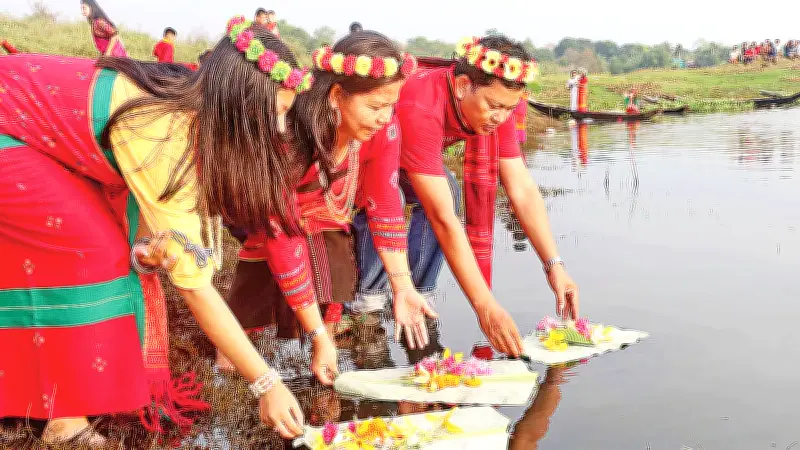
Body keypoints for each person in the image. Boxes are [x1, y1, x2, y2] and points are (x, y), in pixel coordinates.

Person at [0, 16, 314, 444]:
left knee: (104, 244)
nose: (278, 129)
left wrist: (145, 248)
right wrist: (266, 384)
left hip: (33, 133)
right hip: (10, 130)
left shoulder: (193, 103)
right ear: (237, 103)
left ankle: (47, 395)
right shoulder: (164, 130)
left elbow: (155, 220)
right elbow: (194, 286)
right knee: (89, 247)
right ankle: (64, 418)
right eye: (275, 112)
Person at [216, 31, 436, 385]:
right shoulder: (288, 128)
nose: (385, 117)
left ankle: (325, 358)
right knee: (259, 282)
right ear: (336, 96)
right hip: (259, 208)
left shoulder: (384, 128)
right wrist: (315, 334)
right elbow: (281, 237)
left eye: (391, 105)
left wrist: (403, 286)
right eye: (375, 107)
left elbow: (384, 203)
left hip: (326, 210)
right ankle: (229, 366)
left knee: (334, 262)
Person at [350, 35, 581, 359]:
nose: (500, 117)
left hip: (403, 156)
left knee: (449, 190)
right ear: (461, 86)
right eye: (494, 106)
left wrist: (554, 265)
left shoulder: (496, 108)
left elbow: (522, 189)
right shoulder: (421, 106)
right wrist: (485, 306)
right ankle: (367, 308)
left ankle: (420, 300)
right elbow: (443, 218)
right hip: (357, 160)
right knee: (394, 201)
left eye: (509, 108)